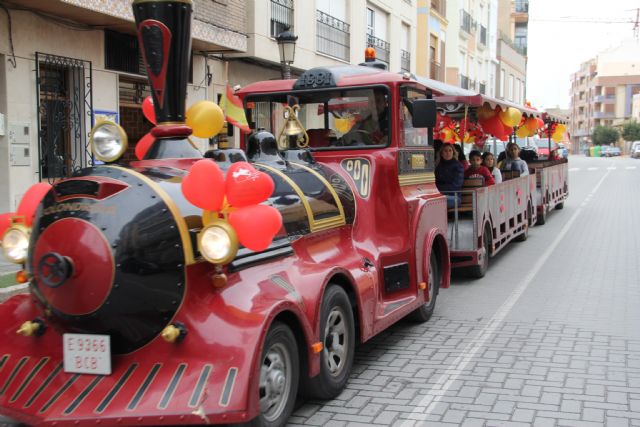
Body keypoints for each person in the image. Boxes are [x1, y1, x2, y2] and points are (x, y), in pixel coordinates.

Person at [435, 143, 464, 208]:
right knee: (433, 201)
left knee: (436, 202)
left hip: (454, 196)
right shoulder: (437, 166)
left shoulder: (458, 166)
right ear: (441, 153)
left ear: (453, 153)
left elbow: (457, 185)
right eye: (445, 151)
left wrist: (439, 189)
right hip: (439, 195)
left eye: (450, 150)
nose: (448, 153)